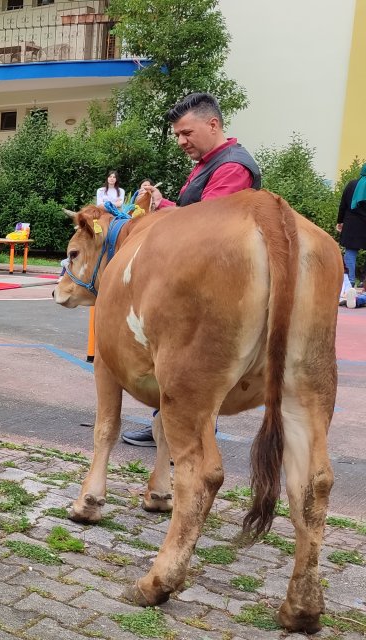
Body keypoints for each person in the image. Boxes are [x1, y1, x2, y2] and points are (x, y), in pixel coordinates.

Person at [122, 92, 261, 448]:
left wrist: (166, 212)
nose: (181, 141)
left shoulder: (232, 166)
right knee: (173, 358)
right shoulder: (211, 162)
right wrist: (163, 203)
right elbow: (194, 212)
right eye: (178, 135)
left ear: (212, 124)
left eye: (187, 133)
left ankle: (193, 437)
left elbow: (206, 226)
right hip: (199, 276)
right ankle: (166, 425)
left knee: (197, 362)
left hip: (214, 284)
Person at [337, 165, 365, 287]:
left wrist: (340, 221)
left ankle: (349, 282)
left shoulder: (352, 184)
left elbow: (343, 204)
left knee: (350, 252)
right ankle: (365, 283)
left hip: (352, 224)